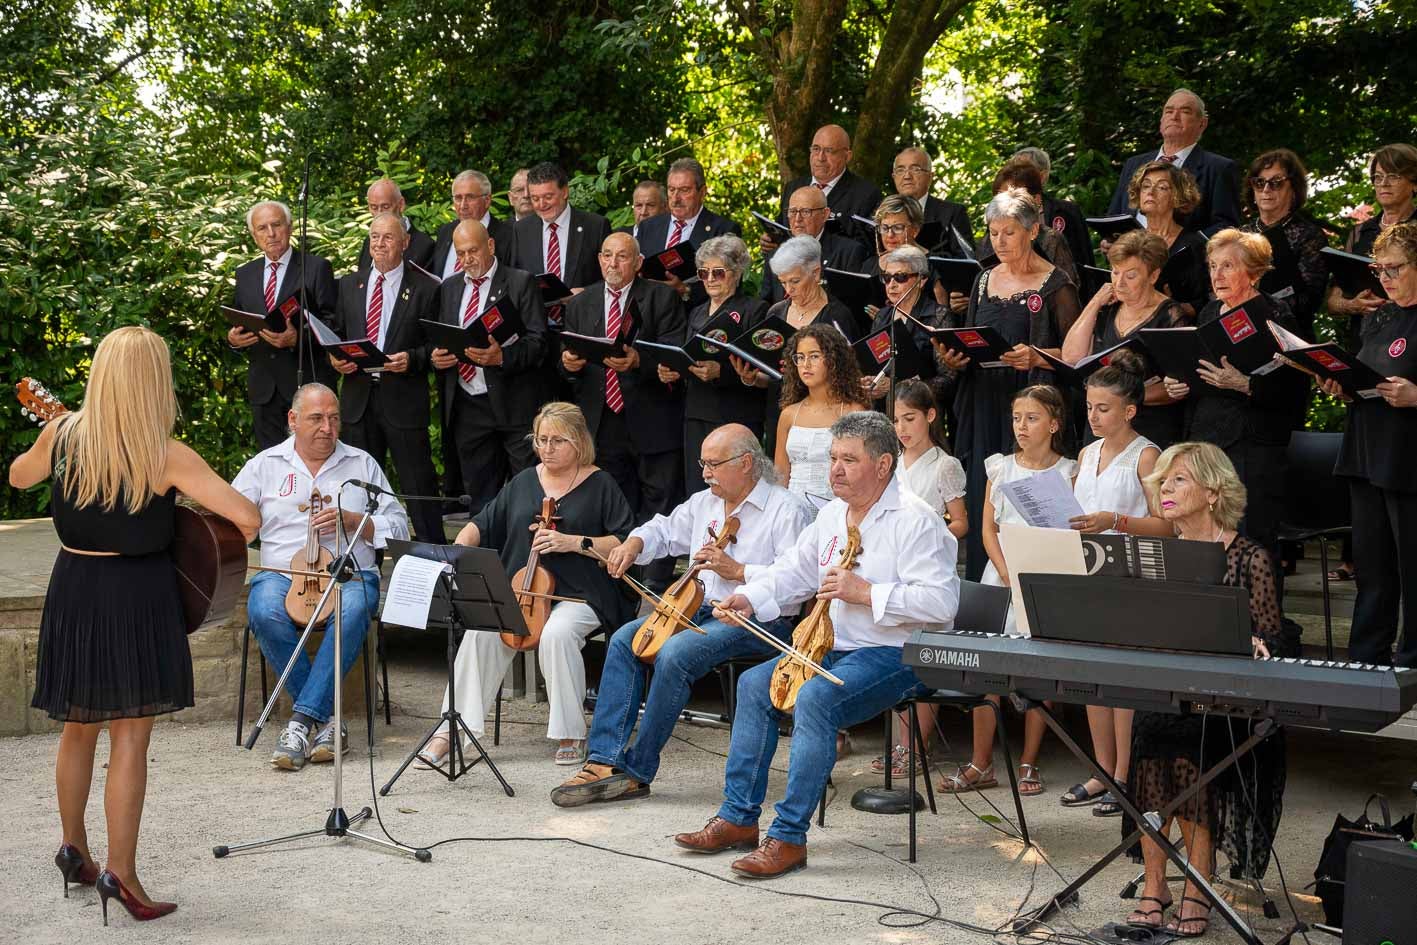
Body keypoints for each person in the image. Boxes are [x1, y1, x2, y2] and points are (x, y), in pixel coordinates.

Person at [12, 327, 260, 924]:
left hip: (74, 588)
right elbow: (246, 519)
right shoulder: (166, 453)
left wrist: (55, 437)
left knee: (77, 729)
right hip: (136, 596)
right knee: (130, 737)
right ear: (154, 381)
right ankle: (122, 872)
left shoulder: (63, 434)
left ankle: (74, 850)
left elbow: (20, 477)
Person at [676, 411, 959, 878]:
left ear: (884, 464)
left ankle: (787, 839)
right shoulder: (831, 513)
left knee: (816, 698)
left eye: (849, 459)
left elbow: (942, 603)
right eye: (833, 458)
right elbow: (793, 571)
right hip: (832, 645)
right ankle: (738, 819)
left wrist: (866, 592)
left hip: (899, 653)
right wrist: (749, 597)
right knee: (753, 685)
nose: (836, 469)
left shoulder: (917, 520)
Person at [550, 425, 813, 806]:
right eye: (702, 463)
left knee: (675, 654)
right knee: (626, 639)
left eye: (713, 464)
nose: (705, 473)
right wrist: (634, 544)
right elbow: (664, 529)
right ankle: (604, 760)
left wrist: (739, 572)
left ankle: (637, 771)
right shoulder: (705, 502)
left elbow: (799, 580)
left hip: (758, 618)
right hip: (697, 607)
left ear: (745, 463)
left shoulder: (787, 509)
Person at [1123, 442, 1286, 937]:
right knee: (1152, 744)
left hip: (1227, 705)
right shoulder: (1157, 555)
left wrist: (1256, 642)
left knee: (1189, 755)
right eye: (1163, 482)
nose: (1165, 489)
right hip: (1168, 693)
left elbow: (1272, 635)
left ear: (1213, 492)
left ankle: (1198, 886)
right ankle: (1156, 886)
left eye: (1179, 481)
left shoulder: (1251, 558)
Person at [417, 403, 635, 767]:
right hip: (523, 589)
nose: (546, 448)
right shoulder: (523, 481)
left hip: (581, 593)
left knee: (557, 634)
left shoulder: (601, 484)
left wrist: (573, 541)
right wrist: (452, 554)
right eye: (541, 439)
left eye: (556, 440)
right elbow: (482, 524)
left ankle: (570, 731)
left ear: (579, 442)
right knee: (481, 631)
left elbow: (625, 542)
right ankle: (453, 730)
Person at [233, 381, 409, 770]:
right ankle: (327, 720)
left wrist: (358, 523)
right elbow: (233, 522)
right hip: (280, 572)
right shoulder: (263, 466)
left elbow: (399, 527)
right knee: (263, 610)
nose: (327, 428)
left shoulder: (362, 464)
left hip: (348, 571)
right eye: (316, 418)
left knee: (354, 610)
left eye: (333, 418)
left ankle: (300, 721)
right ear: (293, 420)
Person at [944, 385, 1074, 796]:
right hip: (1002, 578)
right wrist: (1005, 571)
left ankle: (1029, 761)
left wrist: (1035, 576)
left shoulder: (1070, 471)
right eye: (1017, 418)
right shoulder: (1000, 468)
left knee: (1039, 673)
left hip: (1047, 579)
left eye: (1032, 418)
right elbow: (987, 529)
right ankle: (982, 762)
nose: (1021, 426)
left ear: (1053, 424)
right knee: (988, 671)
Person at [952, 188, 1082, 580]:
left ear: (1032, 230)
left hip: (1031, 399)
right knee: (985, 493)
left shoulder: (1056, 283)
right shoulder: (982, 280)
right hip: (985, 399)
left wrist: (1039, 355)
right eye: (993, 233)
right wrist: (955, 356)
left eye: (1008, 232)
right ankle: (983, 583)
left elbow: (1077, 352)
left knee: (1028, 496)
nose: (1000, 241)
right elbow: (971, 334)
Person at [1060, 354, 1169, 815]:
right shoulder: (1085, 454)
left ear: (1129, 410)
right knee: (1091, 675)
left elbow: (1167, 525)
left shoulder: (1147, 455)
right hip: (1086, 570)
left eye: (1104, 408)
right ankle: (1101, 770)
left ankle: (1125, 774)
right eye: (1089, 407)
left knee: (1122, 679)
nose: (1093, 416)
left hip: (1129, 572)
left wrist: (1116, 521)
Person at [1162, 229, 1308, 563]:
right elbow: (1200, 372)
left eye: (1228, 266)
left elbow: (1297, 387)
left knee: (1252, 543)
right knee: (1206, 538)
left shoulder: (1276, 314)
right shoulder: (1209, 314)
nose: (1217, 275)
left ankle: (1262, 617)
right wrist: (1181, 385)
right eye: (1213, 266)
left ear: (1253, 271)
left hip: (1253, 444)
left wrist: (1245, 384)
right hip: (1207, 442)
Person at [560, 232, 686, 589]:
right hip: (602, 422)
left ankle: (656, 588)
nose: (613, 264)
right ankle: (620, 581)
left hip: (653, 418)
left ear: (638, 262)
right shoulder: (580, 304)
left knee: (659, 503)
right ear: (599, 259)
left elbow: (674, 352)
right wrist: (568, 365)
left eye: (622, 257)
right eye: (607, 256)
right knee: (615, 507)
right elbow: (568, 368)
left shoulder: (661, 297)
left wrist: (638, 362)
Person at [1329, 223, 1417, 668]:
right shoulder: (1381, 315)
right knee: (1372, 565)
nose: (1385, 278)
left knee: (1412, 566)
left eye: (1395, 268)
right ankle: (1366, 656)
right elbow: (1365, 373)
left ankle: (1413, 659)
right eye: (1379, 269)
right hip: (1366, 451)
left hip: (1408, 459)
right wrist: (1342, 385)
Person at [873, 379, 967, 777]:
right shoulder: (890, 462)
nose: (902, 428)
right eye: (896, 420)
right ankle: (897, 743)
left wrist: (931, 533)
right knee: (895, 648)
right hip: (891, 569)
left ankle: (914, 746)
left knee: (923, 653)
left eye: (910, 418)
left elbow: (960, 521)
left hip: (928, 565)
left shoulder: (944, 465)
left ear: (930, 416)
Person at [330, 213, 443, 543]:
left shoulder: (426, 288)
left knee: (418, 485)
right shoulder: (350, 285)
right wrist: (336, 359)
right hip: (358, 401)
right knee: (360, 489)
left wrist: (412, 359)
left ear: (405, 243)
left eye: (388, 237)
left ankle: (435, 560)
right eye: (374, 237)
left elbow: (436, 344)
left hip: (404, 398)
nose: (379, 244)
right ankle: (365, 563)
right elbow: (336, 334)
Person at [430, 219, 548, 513]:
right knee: (481, 497)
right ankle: (485, 557)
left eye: (473, 251)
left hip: (514, 403)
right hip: (468, 404)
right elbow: (445, 336)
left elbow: (539, 343)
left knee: (527, 492)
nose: (467, 260)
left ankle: (526, 555)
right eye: (460, 254)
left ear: (491, 245)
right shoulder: (450, 287)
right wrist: (439, 358)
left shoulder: (520, 282)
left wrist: (502, 357)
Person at [1061, 230, 1193, 448]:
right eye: (1114, 272)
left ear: (1153, 276)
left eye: (1130, 276)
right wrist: (1094, 303)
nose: (1119, 283)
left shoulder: (1170, 317)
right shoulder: (1107, 308)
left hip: (1148, 429)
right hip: (1100, 430)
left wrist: (1124, 397)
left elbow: (1178, 387)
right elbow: (1072, 357)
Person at [658, 234, 769, 489]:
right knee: (697, 488)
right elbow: (689, 355)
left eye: (718, 273)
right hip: (697, 410)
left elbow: (760, 367)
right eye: (703, 273)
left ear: (737, 272)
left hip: (736, 412)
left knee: (733, 487)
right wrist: (675, 371)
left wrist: (723, 372)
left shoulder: (755, 309)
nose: (709, 279)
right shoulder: (696, 311)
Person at [228, 200, 340, 450]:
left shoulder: (315, 267)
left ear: (289, 227)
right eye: (262, 228)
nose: (271, 234)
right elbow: (240, 319)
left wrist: (298, 339)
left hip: (306, 383)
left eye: (276, 225)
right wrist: (234, 341)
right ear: (253, 235)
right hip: (264, 387)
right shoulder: (244, 274)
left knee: (315, 457)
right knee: (270, 465)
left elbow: (333, 324)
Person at [735, 235, 858, 447]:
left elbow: (851, 375)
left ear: (816, 272)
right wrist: (752, 378)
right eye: (782, 282)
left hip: (824, 418)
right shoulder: (776, 312)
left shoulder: (837, 315)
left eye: (795, 281)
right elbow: (771, 375)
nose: (788, 290)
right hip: (779, 414)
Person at [1107, 89, 1240, 236]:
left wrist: (1180, 247)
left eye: (1185, 111)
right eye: (1169, 111)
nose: (1174, 117)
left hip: (1184, 257)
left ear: (1202, 123)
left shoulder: (1219, 168)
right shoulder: (1133, 164)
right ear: (1162, 120)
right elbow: (1115, 216)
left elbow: (1226, 227)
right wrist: (1110, 239)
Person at [1328, 144, 1417, 346]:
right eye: (1378, 177)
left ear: (1414, 183)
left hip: (1410, 342)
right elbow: (1333, 302)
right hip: (1365, 343)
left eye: (1393, 176)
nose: (1383, 183)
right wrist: (1351, 305)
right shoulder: (1359, 233)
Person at [773, 324, 869, 506]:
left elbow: (862, 472)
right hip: (792, 512)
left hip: (838, 510)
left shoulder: (853, 412)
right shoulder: (789, 414)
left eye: (814, 356)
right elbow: (780, 475)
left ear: (834, 360)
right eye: (800, 357)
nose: (805, 365)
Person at [1240, 149, 1330, 341]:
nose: (1266, 190)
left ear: (1294, 188)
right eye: (1259, 182)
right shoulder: (1239, 235)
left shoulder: (1310, 235)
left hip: (1291, 337)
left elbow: (1309, 302)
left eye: (1276, 183)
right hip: (1242, 332)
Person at [636, 157, 742, 307]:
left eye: (684, 190)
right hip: (652, 315)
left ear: (702, 192)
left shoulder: (723, 230)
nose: (676, 198)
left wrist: (684, 290)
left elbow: (730, 285)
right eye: (671, 190)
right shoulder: (648, 226)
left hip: (696, 318)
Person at [772, 124, 883, 252]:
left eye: (829, 151)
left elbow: (866, 246)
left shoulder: (866, 194)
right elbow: (783, 228)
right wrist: (772, 240)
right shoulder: (794, 187)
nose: (820, 158)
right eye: (816, 149)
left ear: (847, 156)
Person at [1121, 161, 1210, 315]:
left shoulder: (1195, 244)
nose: (1150, 192)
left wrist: (1172, 306)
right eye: (1146, 186)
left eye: (1161, 187)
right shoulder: (1129, 241)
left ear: (1177, 196)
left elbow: (1206, 303)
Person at [511, 161, 613, 294]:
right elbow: (514, 280)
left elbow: (613, 277)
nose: (541, 205)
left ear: (565, 192)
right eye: (535, 199)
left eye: (548, 197)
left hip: (582, 311)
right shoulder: (521, 230)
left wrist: (586, 292)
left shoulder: (596, 226)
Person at [760, 184, 869, 306]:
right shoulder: (775, 256)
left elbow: (853, 306)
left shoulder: (849, 252)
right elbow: (766, 304)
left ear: (825, 214)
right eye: (792, 211)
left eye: (806, 212)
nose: (797, 219)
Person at [977, 158, 1079, 288]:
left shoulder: (1051, 238)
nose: (1006, 203)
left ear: (1035, 199)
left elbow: (1070, 286)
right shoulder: (986, 242)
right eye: (1000, 198)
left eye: (1015, 197)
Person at [862, 246, 941, 404]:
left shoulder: (937, 315)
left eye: (900, 277)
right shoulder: (882, 315)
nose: (891, 284)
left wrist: (894, 386)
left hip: (920, 407)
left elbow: (948, 379)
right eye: (886, 278)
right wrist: (871, 381)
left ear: (921, 280)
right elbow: (875, 364)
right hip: (884, 407)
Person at [1013, 147, 1092, 279]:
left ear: (1042, 176)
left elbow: (1085, 260)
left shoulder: (1067, 211)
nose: (1017, 177)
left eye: (1024, 171)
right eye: (1014, 171)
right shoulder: (1002, 214)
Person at [431, 170, 514, 277]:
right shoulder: (445, 232)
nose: (463, 205)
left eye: (470, 197)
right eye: (458, 198)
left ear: (487, 200)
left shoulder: (509, 236)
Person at [891, 146, 972, 251]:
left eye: (915, 169)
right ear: (894, 177)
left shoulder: (952, 214)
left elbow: (965, 260)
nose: (907, 176)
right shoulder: (881, 213)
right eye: (900, 170)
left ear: (930, 177)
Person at [356, 178, 435, 271]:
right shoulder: (369, 241)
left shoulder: (424, 245)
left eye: (385, 207)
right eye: (374, 207)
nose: (380, 213)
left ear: (401, 205)